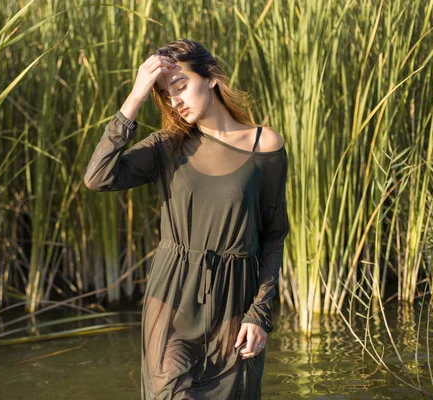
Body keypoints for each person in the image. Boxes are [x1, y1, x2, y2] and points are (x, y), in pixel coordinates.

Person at [84, 38, 289, 400]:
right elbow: (98, 177)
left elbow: (273, 234)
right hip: (172, 299)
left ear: (211, 78)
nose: (175, 101)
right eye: (165, 95)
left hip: (234, 305)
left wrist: (260, 314)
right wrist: (135, 98)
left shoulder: (265, 145)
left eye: (180, 87)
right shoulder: (167, 145)